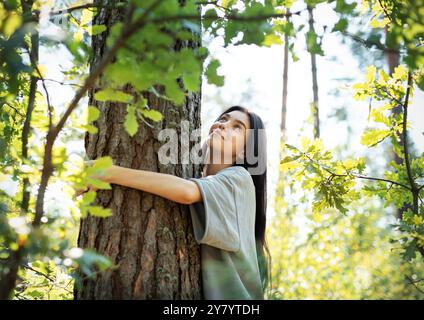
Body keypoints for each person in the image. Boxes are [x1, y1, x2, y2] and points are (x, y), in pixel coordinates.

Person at [75, 106, 271, 299]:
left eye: (237, 127)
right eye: (224, 118)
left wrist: (108, 172)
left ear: (245, 152)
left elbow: (186, 192)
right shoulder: (204, 183)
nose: (222, 125)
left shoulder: (240, 178)